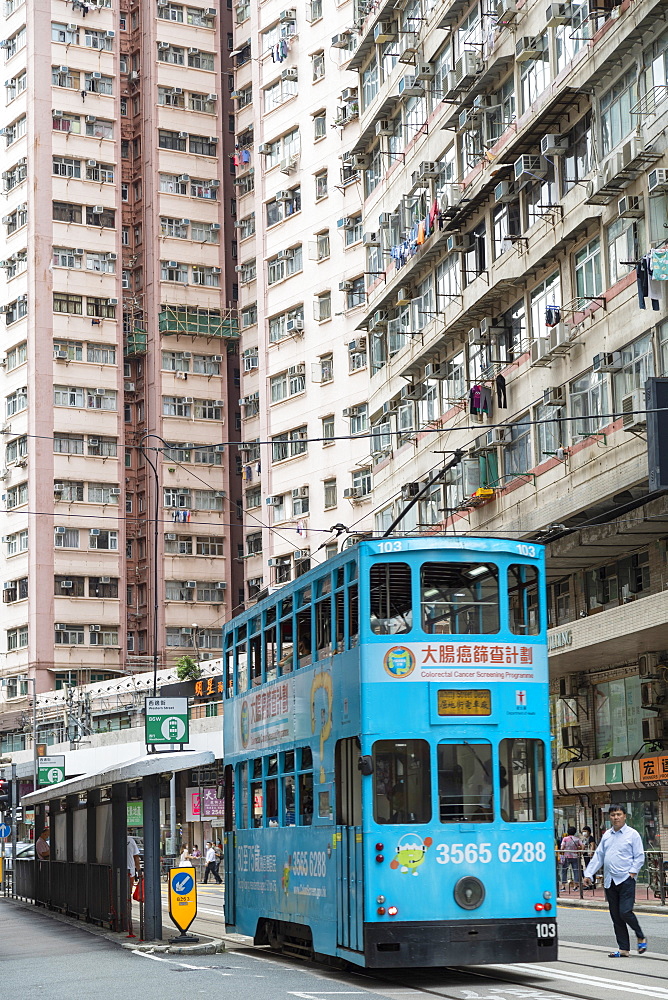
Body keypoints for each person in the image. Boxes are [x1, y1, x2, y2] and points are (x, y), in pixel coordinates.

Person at [583, 804, 647, 957]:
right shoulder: (607, 835)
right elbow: (599, 856)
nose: (616, 817)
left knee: (625, 912)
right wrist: (589, 874)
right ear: (609, 817)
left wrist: (631, 874)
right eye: (613, 815)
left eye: (618, 814)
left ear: (625, 816)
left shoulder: (633, 834)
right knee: (616, 916)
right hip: (609, 880)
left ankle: (640, 935)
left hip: (625, 880)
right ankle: (623, 949)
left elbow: (639, 857)